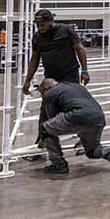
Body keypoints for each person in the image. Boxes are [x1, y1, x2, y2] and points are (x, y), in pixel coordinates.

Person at [22, 9, 91, 160]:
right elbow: (34, 60)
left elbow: (80, 49)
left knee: (75, 109)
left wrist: (85, 70)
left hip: (70, 76)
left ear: (51, 21)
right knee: (45, 112)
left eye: (43, 24)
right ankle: (41, 146)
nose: (40, 27)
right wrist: (27, 80)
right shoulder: (37, 37)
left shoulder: (66, 31)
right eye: (38, 24)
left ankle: (85, 141)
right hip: (50, 80)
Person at [37, 79, 110, 174]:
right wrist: (83, 136)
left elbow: (52, 120)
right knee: (92, 151)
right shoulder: (77, 86)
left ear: (46, 88)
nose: (42, 97)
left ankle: (59, 164)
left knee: (45, 129)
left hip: (77, 116)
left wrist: (43, 139)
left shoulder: (50, 94)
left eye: (42, 93)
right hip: (98, 118)